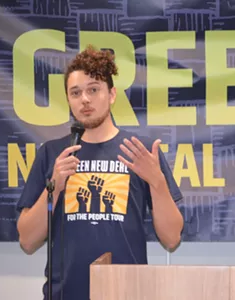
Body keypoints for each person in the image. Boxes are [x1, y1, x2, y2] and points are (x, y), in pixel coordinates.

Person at [16, 46, 184, 300]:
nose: (84, 99)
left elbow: (172, 238)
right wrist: (55, 186)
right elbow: (27, 241)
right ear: (69, 99)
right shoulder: (53, 153)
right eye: (75, 92)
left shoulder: (140, 152)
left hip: (128, 292)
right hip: (65, 293)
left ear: (112, 94)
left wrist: (156, 181)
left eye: (93, 89)